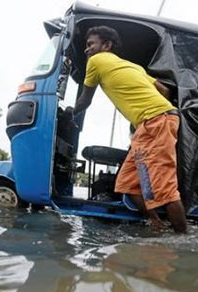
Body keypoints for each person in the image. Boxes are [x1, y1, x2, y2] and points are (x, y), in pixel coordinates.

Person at [67, 26, 187, 233]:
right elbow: (164, 90)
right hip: (151, 124)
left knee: (164, 188)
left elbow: (85, 100)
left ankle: (183, 240)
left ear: (106, 45)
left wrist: (70, 112)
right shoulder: (134, 67)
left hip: (156, 123)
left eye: (90, 45)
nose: (87, 50)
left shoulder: (96, 61)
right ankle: (156, 225)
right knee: (127, 183)